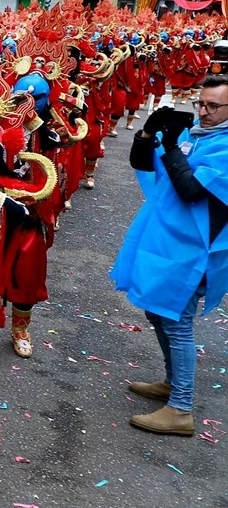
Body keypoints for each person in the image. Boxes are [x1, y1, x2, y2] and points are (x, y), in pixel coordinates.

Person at [111, 74, 228, 436]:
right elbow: (143, 163)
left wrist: (173, 145)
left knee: (176, 322)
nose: (203, 112)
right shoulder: (197, 136)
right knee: (157, 312)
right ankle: (172, 381)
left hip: (194, 253)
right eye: (200, 103)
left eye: (213, 106)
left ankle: (180, 408)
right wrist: (148, 133)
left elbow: (191, 188)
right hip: (166, 244)